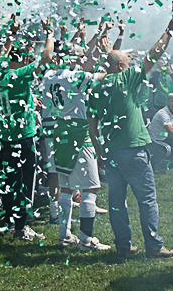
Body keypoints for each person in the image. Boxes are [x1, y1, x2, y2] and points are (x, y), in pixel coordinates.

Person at [88, 2, 173, 260]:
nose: (131, 65)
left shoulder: (97, 87)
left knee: (117, 202)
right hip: (134, 150)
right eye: (128, 62)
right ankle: (153, 246)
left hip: (111, 152)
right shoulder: (125, 78)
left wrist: (99, 151)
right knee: (147, 199)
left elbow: (92, 125)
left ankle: (123, 246)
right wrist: (169, 30)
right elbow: (153, 55)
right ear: (120, 67)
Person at [0, 18, 54, 241]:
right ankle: (21, 227)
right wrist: (49, 32)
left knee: (9, 181)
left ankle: (10, 223)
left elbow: (2, 53)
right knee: (25, 183)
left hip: (5, 136)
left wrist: (11, 33)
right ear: (21, 61)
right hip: (23, 137)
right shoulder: (19, 75)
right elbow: (46, 57)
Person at [42, 50, 110, 251]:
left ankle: (64, 235)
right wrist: (108, 60)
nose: (80, 58)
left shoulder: (48, 75)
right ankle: (86, 241)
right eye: (76, 55)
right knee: (91, 188)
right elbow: (102, 76)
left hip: (58, 133)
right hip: (78, 134)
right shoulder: (76, 76)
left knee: (66, 188)